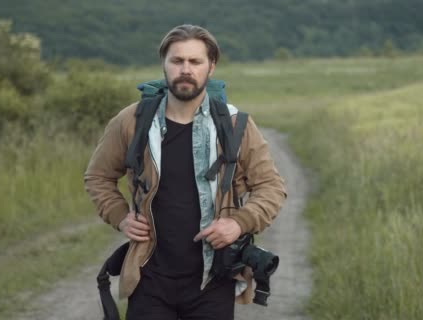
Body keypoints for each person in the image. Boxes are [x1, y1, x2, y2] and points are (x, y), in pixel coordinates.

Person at [84, 24, 286, 320]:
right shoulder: (132, 121)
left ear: (211, 67)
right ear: (164, 64)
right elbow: (98, 177)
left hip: (213, 280)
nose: (185, 69)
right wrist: (120, 217)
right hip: (149, 279)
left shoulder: (234, 125)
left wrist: (239, 223)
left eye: (195, 61)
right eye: (177, 61)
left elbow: (271, 186)